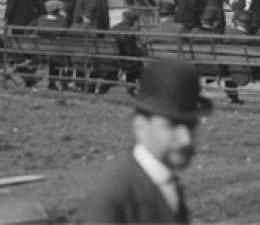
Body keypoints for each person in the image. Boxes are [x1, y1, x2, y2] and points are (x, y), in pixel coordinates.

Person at [77, 59, 211, 224]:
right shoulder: (112, 199)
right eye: (172, 125)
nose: (186, 139)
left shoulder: (167, 185)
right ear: (140, 126)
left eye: (191, 125)